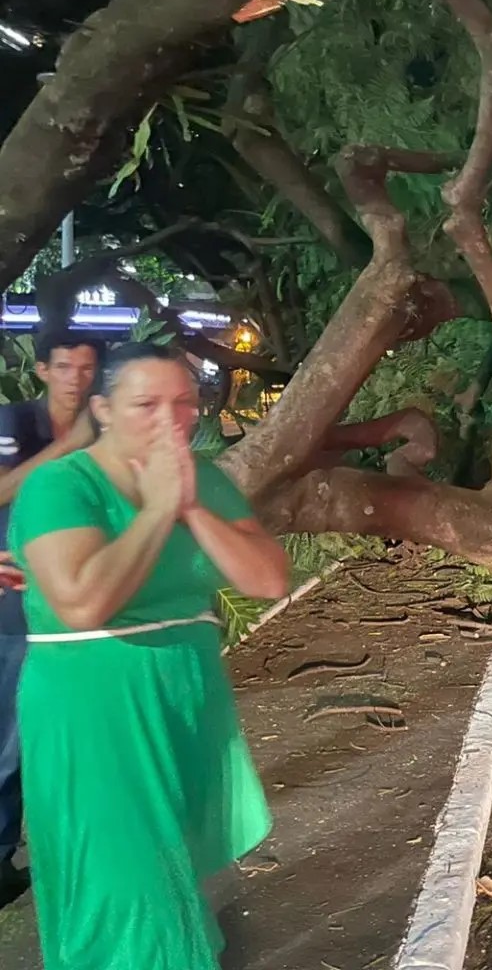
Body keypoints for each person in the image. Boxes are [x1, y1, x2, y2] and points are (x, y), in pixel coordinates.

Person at [7, 342, 291, 969]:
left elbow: (267, 580)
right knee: (122, 880)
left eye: (185, 403)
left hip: (185, 693)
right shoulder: (61, 484)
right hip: (95, 700)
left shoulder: (205, 479)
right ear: (103, 409)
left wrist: (189, 504)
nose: (172, 419)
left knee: (180, 872)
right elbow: (83, 603)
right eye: (147, 404)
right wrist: (159, 508)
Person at [0, 328, 101, 905]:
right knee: (9, 747)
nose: (76, 379)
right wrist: (73, 443)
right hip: (16, 610)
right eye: (64, 367)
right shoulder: (15, 424)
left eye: (87, 369)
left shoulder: (107, 428)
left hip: (82, 608)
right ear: (42, 370)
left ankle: (73, 857)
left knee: (76, 739)